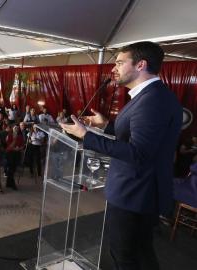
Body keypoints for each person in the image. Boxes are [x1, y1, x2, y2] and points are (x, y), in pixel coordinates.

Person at [61, 41, 182, 270]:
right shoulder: (148, 96)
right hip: (137, 191)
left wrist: (85, 136)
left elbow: (139, 153)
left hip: (136, 194)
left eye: (119, 62)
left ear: (140, 65)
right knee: (140, 252)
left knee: (125, 256)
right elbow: (136, 135)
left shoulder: (152, 100)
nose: (113, 69)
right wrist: (106, 126)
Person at [5, 125, 24, 190]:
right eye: (15, 128)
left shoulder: (20, 136)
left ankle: (8, 183)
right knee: (11, 169)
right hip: (10, 153)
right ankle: (12, 184)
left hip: (17, 153)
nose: (16, 129)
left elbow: (22, 145)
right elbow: (9, 146)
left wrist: (19, 148)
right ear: (12, 128)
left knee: (13, 168)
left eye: (17, 128)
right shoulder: (9, 136)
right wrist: (14, 139)